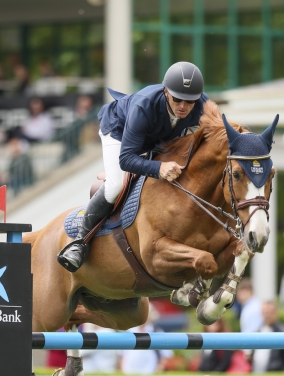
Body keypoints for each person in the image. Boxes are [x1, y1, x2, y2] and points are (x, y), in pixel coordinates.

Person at [58, 62, 209, 271]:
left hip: (158, 137)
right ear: (166, 92)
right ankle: (79, 243)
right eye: (177, 99)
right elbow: (127, 159)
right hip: (119, 132)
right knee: (115, 186)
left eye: (190, 101)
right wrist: (159, 169)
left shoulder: (204, 105)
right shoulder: (143, 106)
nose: (183, 106)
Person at [259, 300, 284, 372]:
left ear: (276, 313)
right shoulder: (258, 330)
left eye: (270, 312)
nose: (267, 315)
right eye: (265, 312)